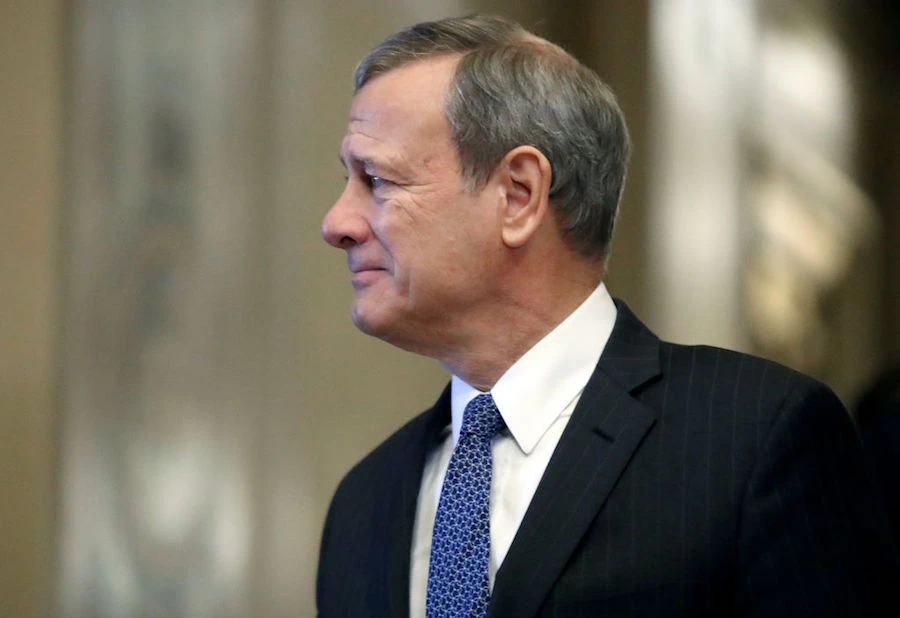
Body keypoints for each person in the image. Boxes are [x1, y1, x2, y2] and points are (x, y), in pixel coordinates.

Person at [316, 14, 897, 618]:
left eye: (376, 180)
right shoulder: (364, 503)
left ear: (518, 195)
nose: (337, 223)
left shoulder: (753, 438)